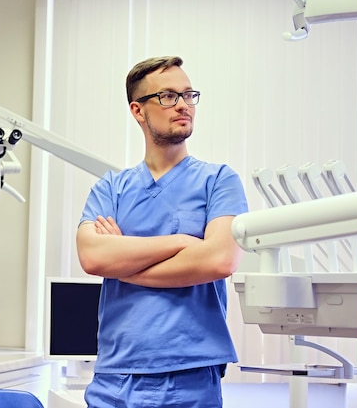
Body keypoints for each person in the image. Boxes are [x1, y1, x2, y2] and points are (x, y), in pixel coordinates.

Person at [76, 56, 248, 408]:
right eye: (168, 96)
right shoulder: (111, 188)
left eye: (188, 94)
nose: (183, 105)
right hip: (114, 378)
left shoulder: (218, 181)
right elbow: (93, 257)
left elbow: (219, 259)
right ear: (138, 111)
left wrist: (123, 260)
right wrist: (183, 243)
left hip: (190, 377)